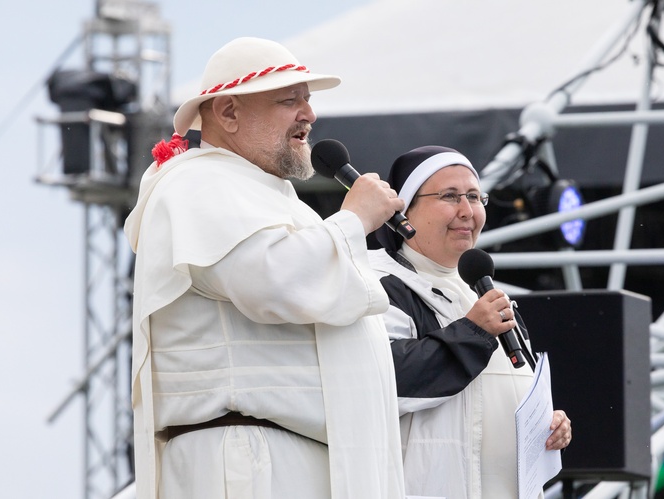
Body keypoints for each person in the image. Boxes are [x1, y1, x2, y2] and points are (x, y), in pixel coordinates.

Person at [123, 37, 406, 499]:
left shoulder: (257, 191)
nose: (308, 115)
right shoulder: (198, 182)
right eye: (288, 100)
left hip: (280, 456)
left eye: (308, 100)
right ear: (229, 113)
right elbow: (272, 281)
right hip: (248, 460)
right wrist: (355, 221)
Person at [368, 145, 572, 499]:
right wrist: (473, 332)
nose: (467, 211)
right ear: (404, 211)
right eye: (450, 196)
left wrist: (550, 425)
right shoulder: (379, 284)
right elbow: (382, 379)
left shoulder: (487, 294)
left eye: (475, 197)